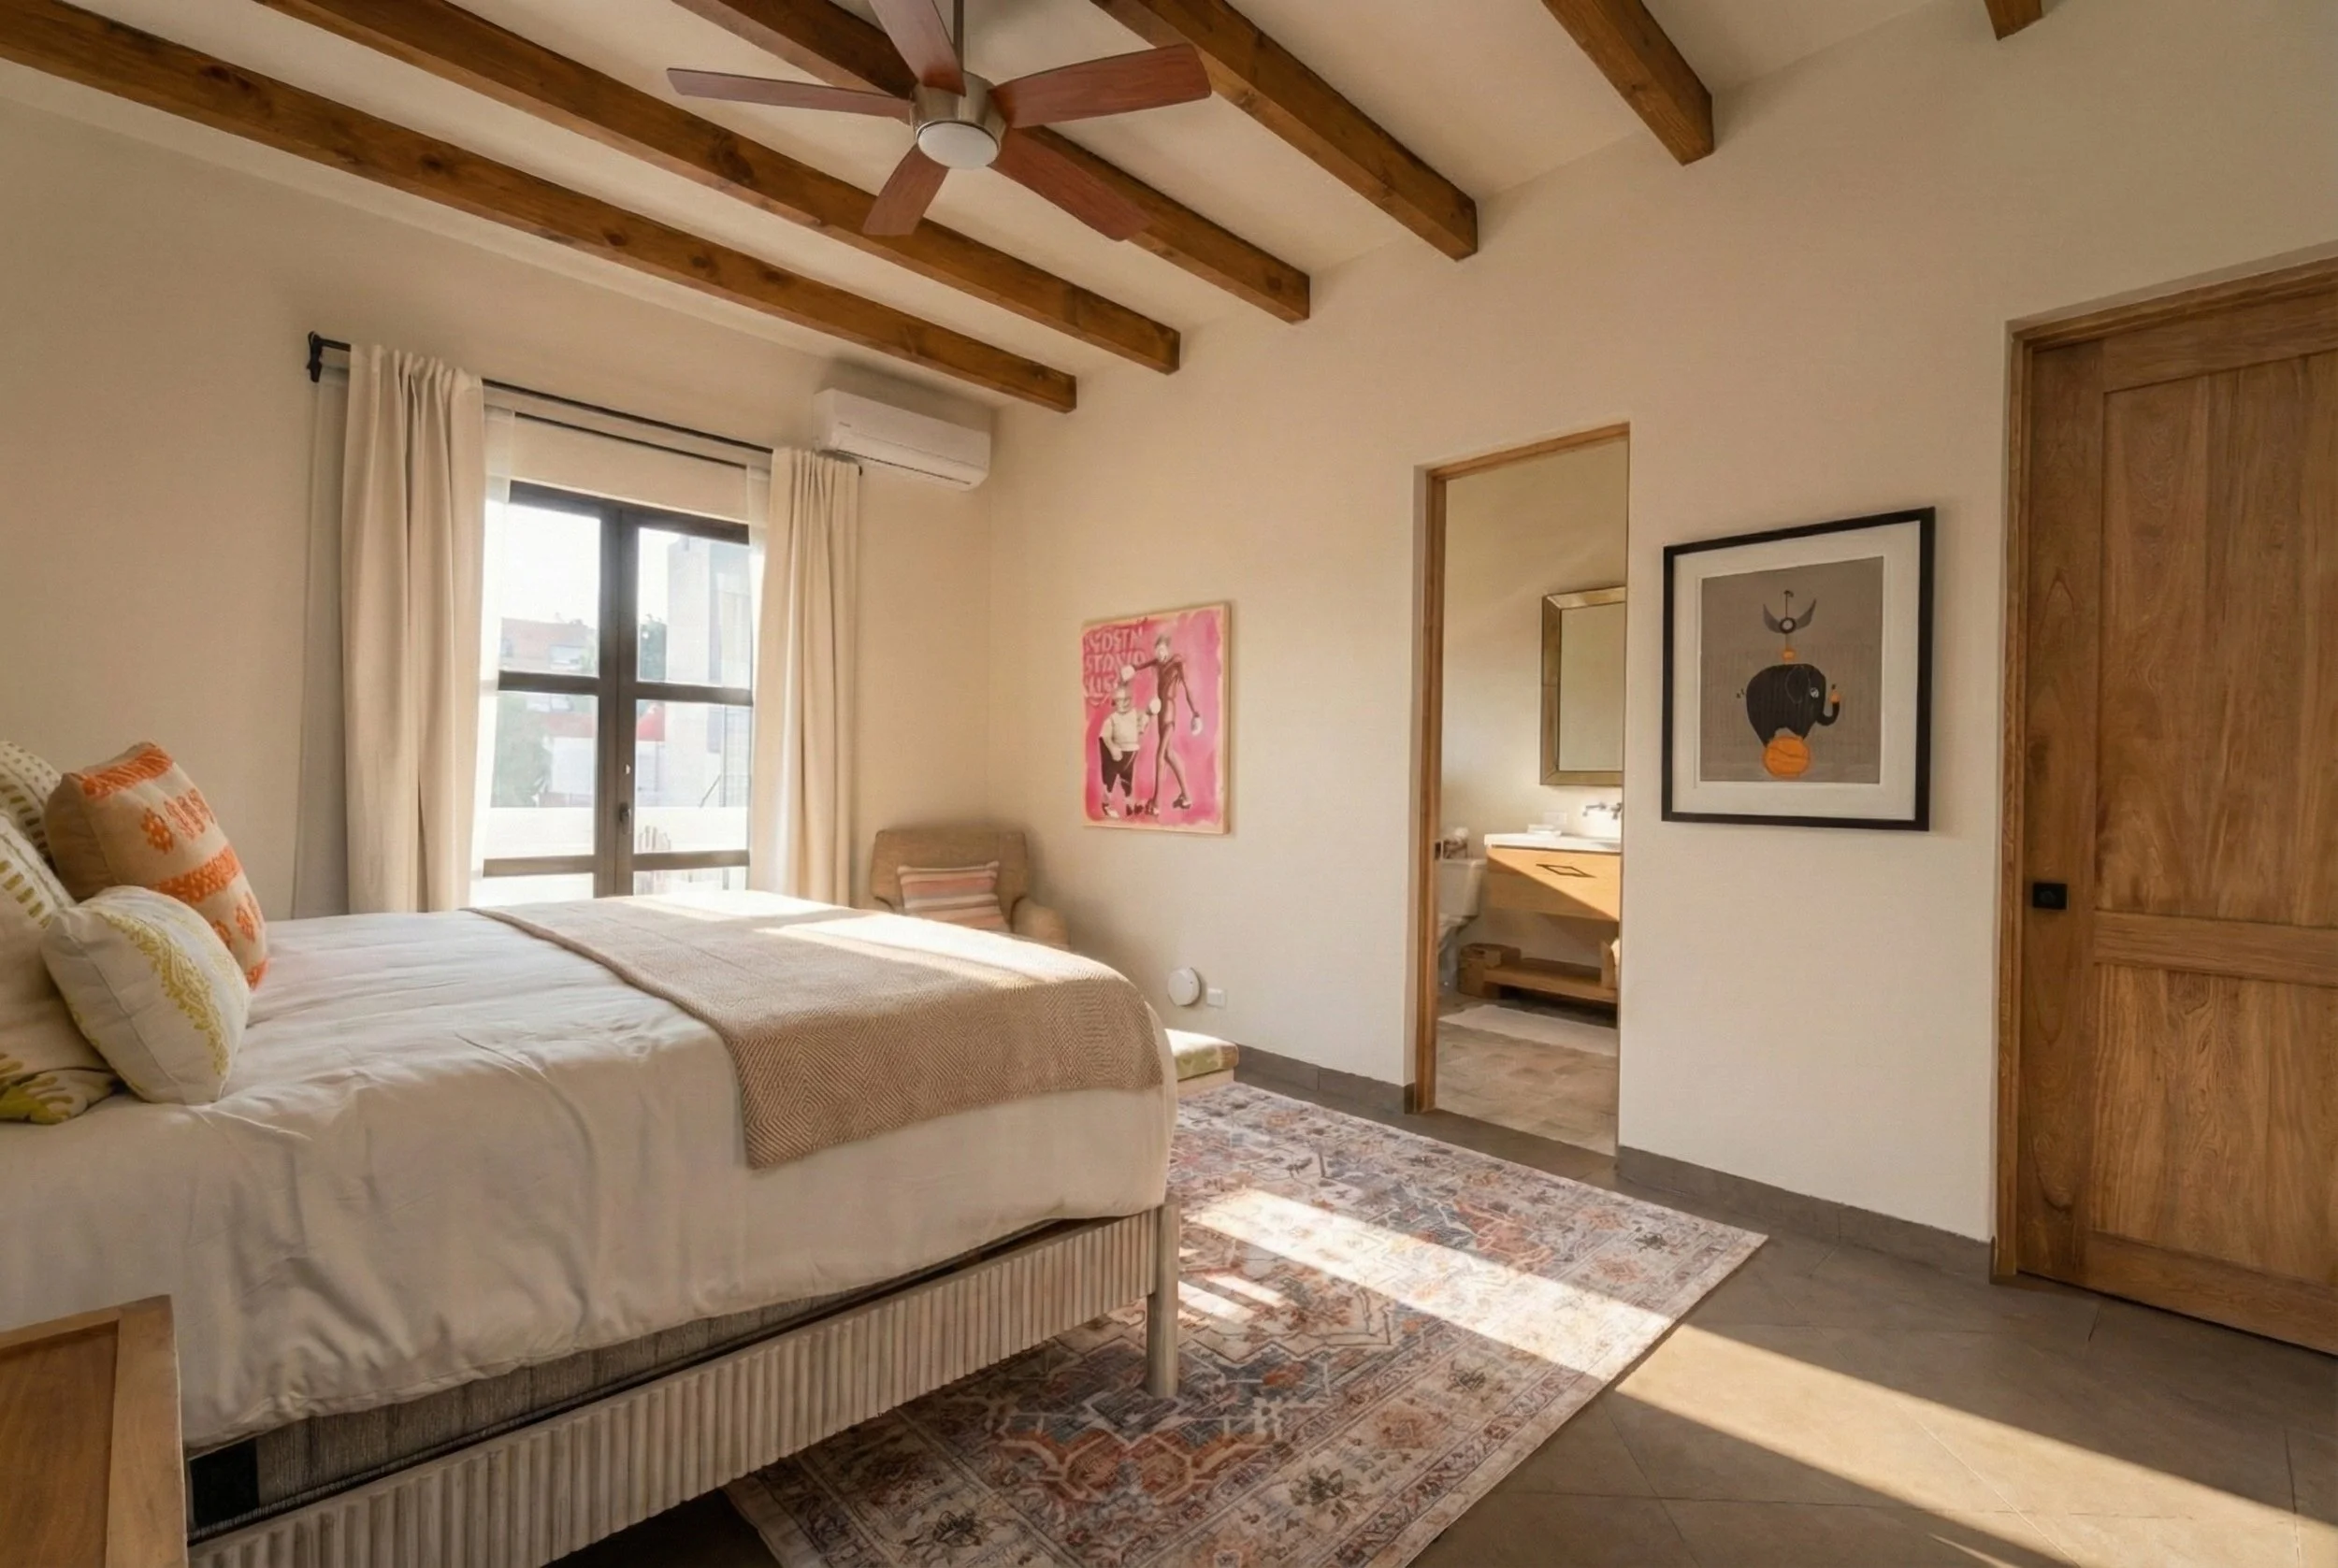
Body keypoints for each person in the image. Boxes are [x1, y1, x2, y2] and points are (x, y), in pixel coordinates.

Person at [1130, 631, 1198, 814]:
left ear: (1167, 648)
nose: (1159, 653)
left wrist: (1195, 713)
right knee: (1168, 754)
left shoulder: (1176, 662)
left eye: (1162, 649)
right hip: (1161, 714)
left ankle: (1157, 803)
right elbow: (1146, 664)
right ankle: (1186, 795)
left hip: (1170, 714)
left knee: (1160, 755)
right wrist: (1134, 668)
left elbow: (1188, 688)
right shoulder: (1158, 663)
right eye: (1157, 650)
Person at [1096, 683, 1147, 818]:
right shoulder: (1112, 719)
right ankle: (1106, 804)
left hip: (1130, 754)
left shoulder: (1135, 714)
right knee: (1110, 782)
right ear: (1114, 702)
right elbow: (1105, 737)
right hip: (1116, 756)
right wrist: (1112, 748)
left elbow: (1144, 718)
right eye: (1120, 700)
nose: (1124, 703)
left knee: (1127, 780)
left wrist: (1143, 722)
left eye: (1127, 699)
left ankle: (1130, 804)